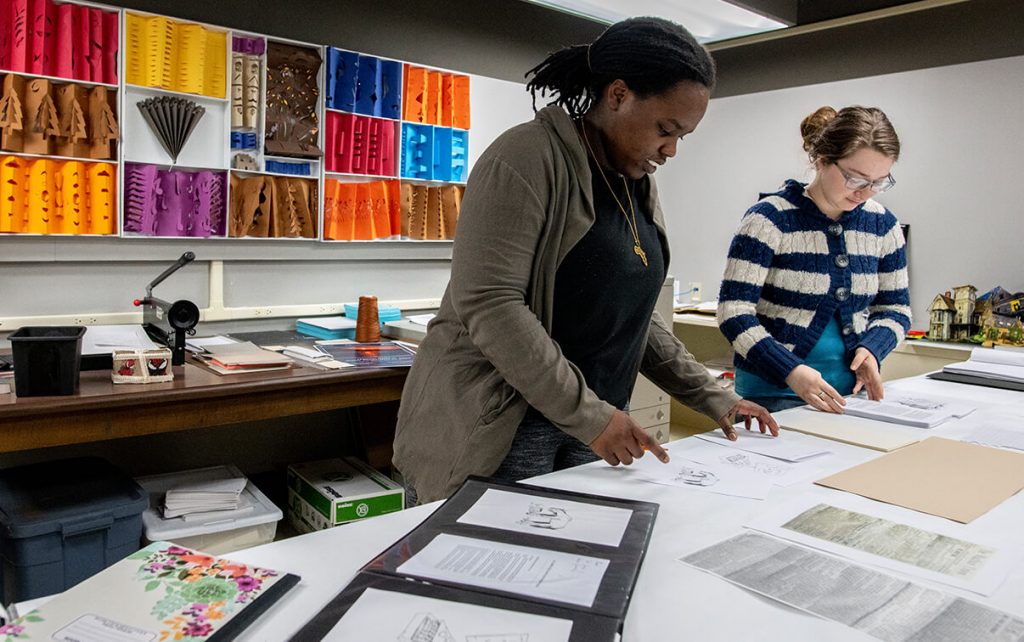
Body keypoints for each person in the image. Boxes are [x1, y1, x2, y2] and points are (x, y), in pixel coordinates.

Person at [393, 17, 777, 505]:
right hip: (503, 426)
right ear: (618, 95)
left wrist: (713, 396)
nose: (672, 149)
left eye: (683, 135)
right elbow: (490, 303)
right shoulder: (525, 157)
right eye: (665, 129)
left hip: (592, 426)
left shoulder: (633, 182)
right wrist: (592, 417)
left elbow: (630, 313)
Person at [717, 106, 911, 414]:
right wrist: (789, 370)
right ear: (822, 161)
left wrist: (873, 349)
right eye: (856, 179)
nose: (866, 193)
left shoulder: (883, 225)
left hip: (850, 396)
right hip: (770, 396)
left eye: (879, 182)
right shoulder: (769, 219)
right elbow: (734, 312)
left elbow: (895, 310)